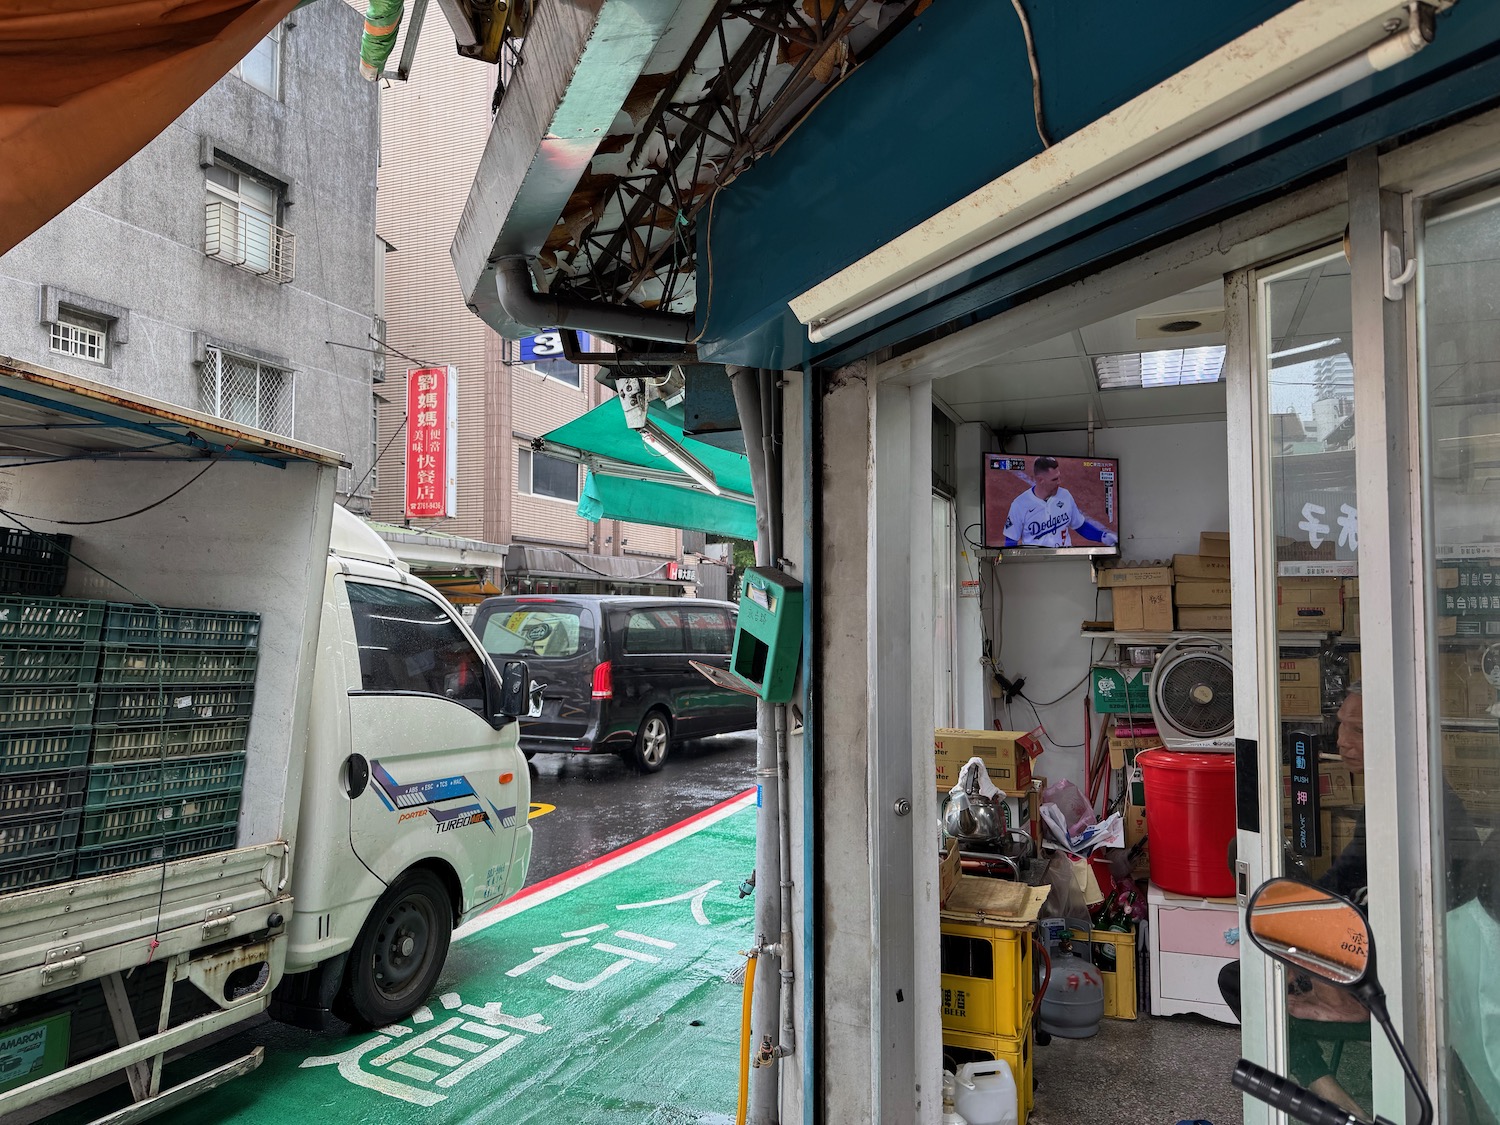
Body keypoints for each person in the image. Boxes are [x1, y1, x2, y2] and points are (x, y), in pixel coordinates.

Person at [1218, 683, 1479, 1117]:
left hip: (1391, 972)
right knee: (1245, 976)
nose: (1341, 741)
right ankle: (1336, 1099)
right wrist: (1296, 926)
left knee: (1258, 980)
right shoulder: (1380, 801)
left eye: (1357, 730)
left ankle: (1346, 1006)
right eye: (1340, 726)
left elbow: (1428, 926)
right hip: (1350, 944)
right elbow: (1340, 883)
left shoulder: (1428, 810)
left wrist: (1337, 964)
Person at [1002, 456, 1119, 548]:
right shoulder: (1019, 504)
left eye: (1059, 477)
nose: (1059, 482)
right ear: (1040, 480)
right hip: (1036, 564)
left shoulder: (1065, 495)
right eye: (1054, 479)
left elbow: (1080, 526)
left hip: (1065, 560)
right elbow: (1010, 541)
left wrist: (1103, 537)